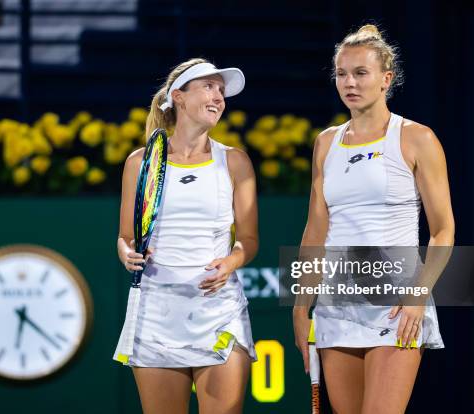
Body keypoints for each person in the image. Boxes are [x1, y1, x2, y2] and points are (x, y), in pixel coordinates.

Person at [293, 25, 455, 413]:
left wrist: (417, 297)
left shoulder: (417, 138)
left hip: (397, 303)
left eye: (360, 73)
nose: (349, 82)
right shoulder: (326, 143)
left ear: (386, 79)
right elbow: (316, 231)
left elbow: (444, 230)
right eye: (342, 74)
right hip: (335, 304)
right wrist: (301, 306)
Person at [112, 58, 259, 414]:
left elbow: (249, 240)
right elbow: (126, 236)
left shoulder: (235, 162)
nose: (219, 97)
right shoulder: (140, 163)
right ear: (178, 96)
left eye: (222, 91)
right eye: (209, 87)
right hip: (158, 312)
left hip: (219, 311)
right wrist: (126, 252)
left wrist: (231, 261)